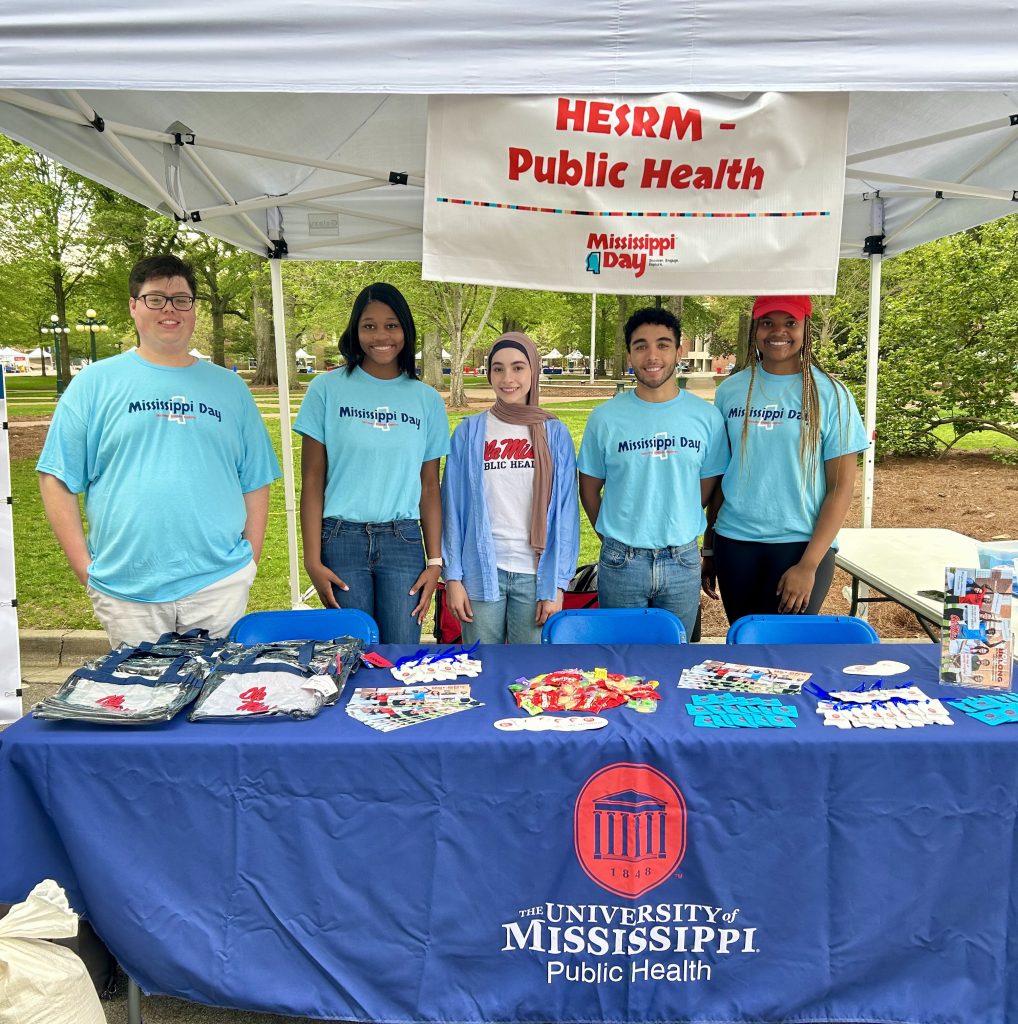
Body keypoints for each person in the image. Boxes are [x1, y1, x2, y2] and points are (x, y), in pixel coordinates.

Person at [37, 254, 281, 646]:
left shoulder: (230, 388)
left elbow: (255, 479)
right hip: (127, 588)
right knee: (138, 687)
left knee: (212, 685)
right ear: (133, 306)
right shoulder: (94, 383)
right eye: (155, 299)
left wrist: (248, 561)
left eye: (181, 299)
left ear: (194, 310)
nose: (169, 309)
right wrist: (85, 568)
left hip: (218, 585)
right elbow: (56, 477)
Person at [294, 282, 448, 643]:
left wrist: (435, 562)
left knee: (401, 654)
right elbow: (312, 481)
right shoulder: (326, 389)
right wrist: (312, 561)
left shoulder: (427, 400)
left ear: (405, 330)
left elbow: (429, 487)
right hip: (340, 540)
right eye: (369, 326)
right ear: (355, 330)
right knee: (350, 652)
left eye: (391, 325)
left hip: (403, 542)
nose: (381, 336)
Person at [703, 295, 867, 622]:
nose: (778, 331)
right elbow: (722, 476)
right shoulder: (730, 391)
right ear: (755, 329)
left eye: (791, 323)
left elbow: (841, 487)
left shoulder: (832, 394)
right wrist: (709, 547)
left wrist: (808, 565)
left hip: (801, 545)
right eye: (768, 323)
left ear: (806, 328)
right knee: (745, 644)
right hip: (735, 543)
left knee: (789, 648)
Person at [577, 307, 728, 638]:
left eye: (663, 344)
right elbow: (588, 488)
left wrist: (677, 514)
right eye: (641, 345)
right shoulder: (604, 418)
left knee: (674, 656)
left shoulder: (707, 418)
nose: (652, 355)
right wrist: (614, 538)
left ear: (678, 351)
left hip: (682, 561)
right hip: (621, 561)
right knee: (620, 657)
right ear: (629, 354)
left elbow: (706, 488)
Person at [441, 332, 580, 644]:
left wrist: (558, 584)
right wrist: (453, 577)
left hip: (536, 576)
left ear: (533, 370)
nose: (508, 378)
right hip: (480, 571)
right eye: (498, 368)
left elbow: (566, 512)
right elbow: (452, 508)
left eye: (518, 367)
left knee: (529, 669)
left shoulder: (555, 434)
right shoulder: (469, 432)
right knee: (481, 664)